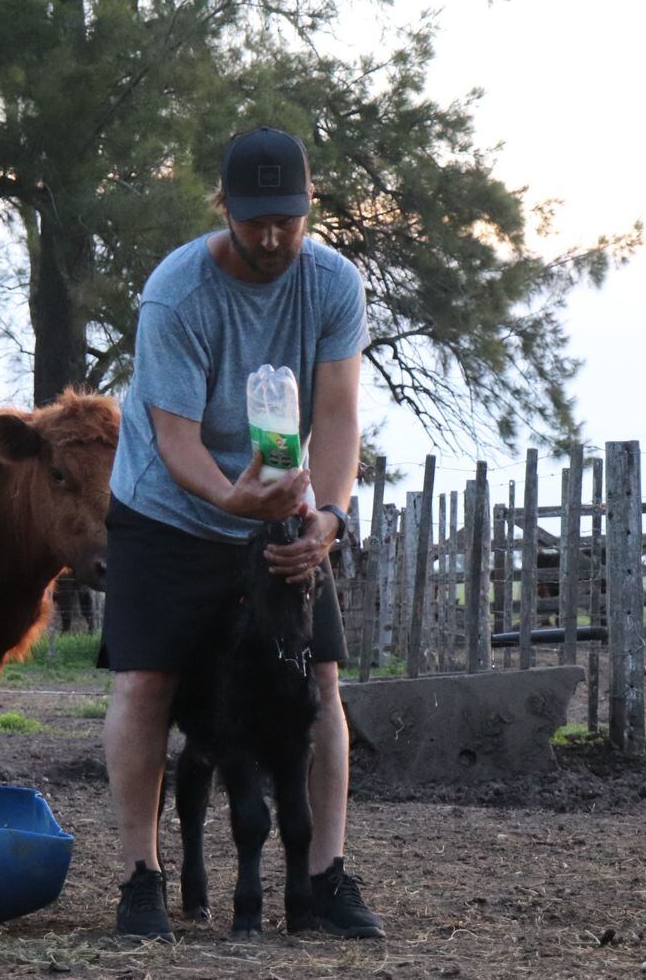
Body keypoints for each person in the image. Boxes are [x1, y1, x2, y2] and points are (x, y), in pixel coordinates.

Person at [101, 125, 384, 940]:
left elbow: (336, 417)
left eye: (285, 222)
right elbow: (175, 438)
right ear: (223, 207)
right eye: (252, 220)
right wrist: (234, 504)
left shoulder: (333, 285)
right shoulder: (177, 294)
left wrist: (325, 518)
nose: (269, 238)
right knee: (146, 683)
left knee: (319, 682)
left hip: (286, 512)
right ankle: (140, 880)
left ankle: (326, 877)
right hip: (170, 509)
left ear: (308, 209)